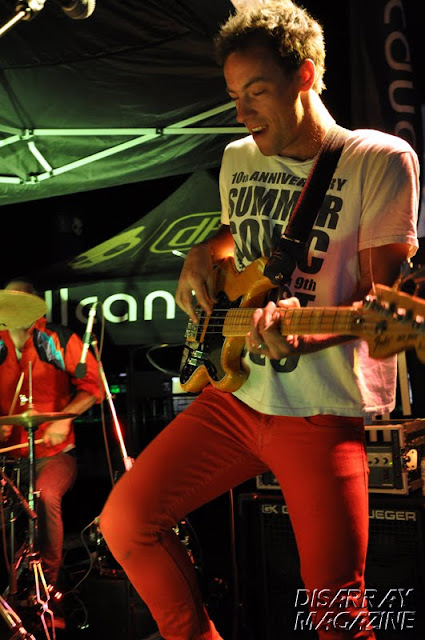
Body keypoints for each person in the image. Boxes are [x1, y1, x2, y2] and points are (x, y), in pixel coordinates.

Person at [99, 2, 419, 639]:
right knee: (125, 523)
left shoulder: (379, 160)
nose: (242, 112)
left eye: (256, 92)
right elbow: (246, 237)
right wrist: (204, 250)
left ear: (304, 76)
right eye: (233, 96)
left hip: (319, 410)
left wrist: (307, 329)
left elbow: (386, 306)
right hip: (236, 396)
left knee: (337, 612)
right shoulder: (237, 157)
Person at [0, 280, 102, 597]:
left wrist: (65, 417)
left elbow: (93, 387)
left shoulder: (56, 339)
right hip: (7, 458)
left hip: (55, 453)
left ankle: (48, 586)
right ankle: (9, 588)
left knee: (45, 495)